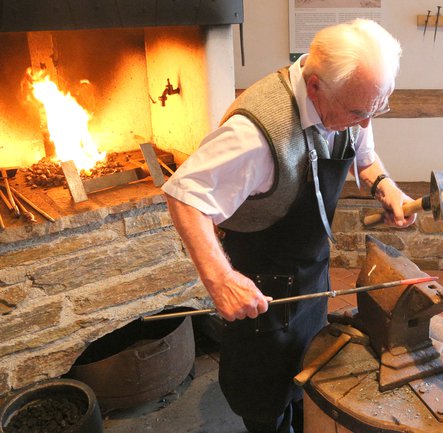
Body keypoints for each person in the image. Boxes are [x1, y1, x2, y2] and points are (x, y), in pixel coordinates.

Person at [162, 18, 415, 433]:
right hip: (261, 289)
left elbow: (362, 151)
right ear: (315, 87)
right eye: (358, 111)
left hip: (311, 274)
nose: (365, 121)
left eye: (376, 109)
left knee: (307, 369)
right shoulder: (256, 133)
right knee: (263, 395)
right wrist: (220, 277)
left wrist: (386, 187)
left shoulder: (351, 101)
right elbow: (184, 194)